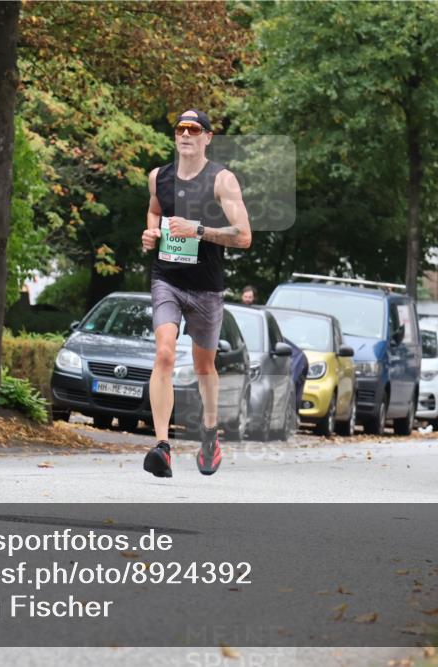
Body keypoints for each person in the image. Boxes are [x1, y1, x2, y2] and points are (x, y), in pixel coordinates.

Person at [140, 110, 252, 477]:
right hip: (167, 279)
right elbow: (154, 212)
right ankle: (161, 446)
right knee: (165, 353)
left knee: (204, 366)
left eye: (194, 129)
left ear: (207, 137)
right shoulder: (160, 178)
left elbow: (244, 236)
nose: (186, 134)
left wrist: (198, 230)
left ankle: (209, 433)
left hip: (206, 287)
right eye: (180, 129)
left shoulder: (222, 180)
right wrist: (151, 234)